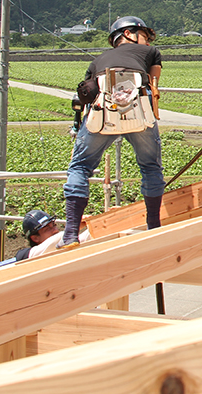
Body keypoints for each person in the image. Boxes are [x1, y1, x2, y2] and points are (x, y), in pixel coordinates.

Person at [61, 16, 164, 247]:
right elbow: (154, 87)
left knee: (80, 167)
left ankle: (69, 235)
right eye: (144, 35)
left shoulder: (98, 60)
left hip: (102, 112)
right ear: (129, 34)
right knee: (150, 167)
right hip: (138, 111)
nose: (146, 41)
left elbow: (86, 94)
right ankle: (154, 227)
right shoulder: (150, 53)